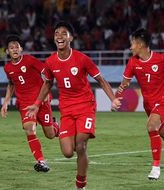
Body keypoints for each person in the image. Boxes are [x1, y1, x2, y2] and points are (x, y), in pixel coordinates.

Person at [24, 21, 121, 190]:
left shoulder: (82, 58)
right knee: (68, 152)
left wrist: (113, 98)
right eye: (56, 34)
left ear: (71, 38)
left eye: (63, 33)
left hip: (85, 106)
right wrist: (37, 104)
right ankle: (62, 130)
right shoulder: (50, 62)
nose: (59, 36)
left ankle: (80, 185)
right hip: (67, 109)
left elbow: (100, 80)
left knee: (80, 145)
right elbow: (47, 83)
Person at [116, 28, 164, 180]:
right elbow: (125, 83)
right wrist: (119, 93)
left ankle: (156, 167)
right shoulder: (132, 62)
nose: (130, 47)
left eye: (132, 43)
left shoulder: (162, 58)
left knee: (151, 126)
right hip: (149, 104)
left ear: (140, 45)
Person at [1, 35, 59, 172]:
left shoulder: (30, 60)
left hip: (41, 100)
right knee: (29, 129)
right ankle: (41, 161)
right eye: (11, 47)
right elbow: (11, 84)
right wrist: (6, 102)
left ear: (21, 48)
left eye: (17, 47)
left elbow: (46, 73)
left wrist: (46, 92)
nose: (14, 49)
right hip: (25, 104)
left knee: (50, 135)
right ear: (7, 52)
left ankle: (56, 126)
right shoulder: (7, 68)